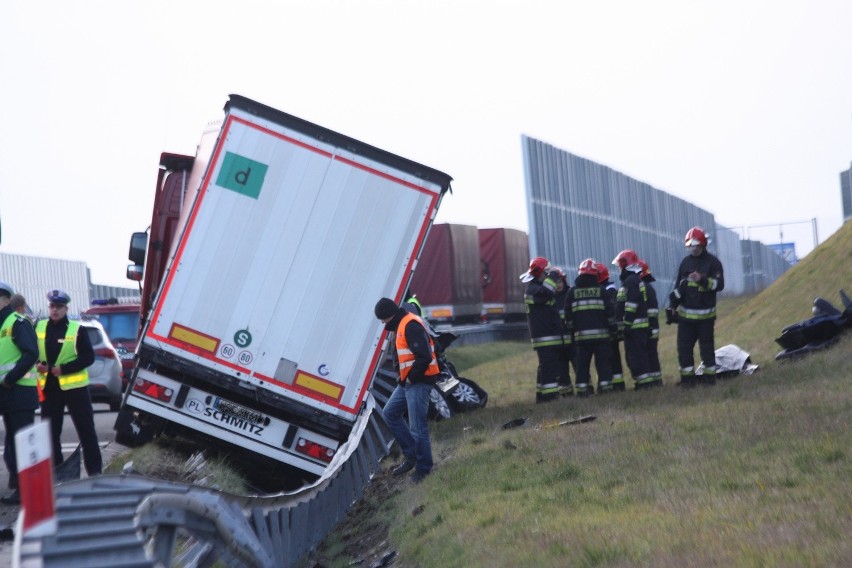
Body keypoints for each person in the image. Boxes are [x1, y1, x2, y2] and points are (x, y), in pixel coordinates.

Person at [35, 289, 102, 477]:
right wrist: (38, 365)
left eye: (59, 306)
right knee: (50, 434)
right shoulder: (39, 327)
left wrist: (63, 369)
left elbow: (88, 357)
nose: (54, 310)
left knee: (86, 432)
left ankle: (95, 472)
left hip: (75, 389)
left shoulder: (77, 329)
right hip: (50, 388)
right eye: (52, 306)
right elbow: (31, 352)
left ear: (66, 308)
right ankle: (58, 474)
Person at [375, 297, 439, 484]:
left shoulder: (409, 325)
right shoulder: (400, 324)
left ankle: (423, 469)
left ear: (389, 315)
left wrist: (411, 376)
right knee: (390, 413)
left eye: (383, 319)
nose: (382, 323)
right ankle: (411, 455)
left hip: (418, 382)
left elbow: (425, 356)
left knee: (418, 427)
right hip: (407, 383)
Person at [667, 227, 725, 387]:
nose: (693, 248)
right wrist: (672, 305)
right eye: (690, 245)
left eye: (696, 245)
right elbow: (679, 288)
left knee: (706, 350)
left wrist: (702, 280)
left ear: (703, 245)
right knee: (683, 350)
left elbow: (719, 285)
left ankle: (709, 380)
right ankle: (687, 381)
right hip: (685, 319)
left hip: (705, 318)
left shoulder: (713, 263)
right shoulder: (685, 263)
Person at [0, 282, 39, 505]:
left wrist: (10, 378)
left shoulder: (17, 322)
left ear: (6, 299)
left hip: (19, 392)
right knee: (12, 443)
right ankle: (17, 484)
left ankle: (26, 492)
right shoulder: (2, 324)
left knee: (21, 442)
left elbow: (31, 353)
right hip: (6, 393)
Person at [520, 257, 570, 403]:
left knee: (545, 367)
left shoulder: (537, 289)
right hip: (544, 337)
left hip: (548, 336)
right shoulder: (533, 290)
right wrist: (554, 274)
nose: (549, 276)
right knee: (549, 368)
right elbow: (547, 292)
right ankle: (550, 397)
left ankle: (542, 397)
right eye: (547, 273)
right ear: (541, 273)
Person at [565, 259, 614, 395]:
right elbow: (610, 314)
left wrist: (571, 330)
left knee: (582, 366)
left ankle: (582, 391)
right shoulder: (602, 291)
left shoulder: (572, 292)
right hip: (602, 337)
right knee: (603, 365)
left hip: (581, 339)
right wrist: (612, 328)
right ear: (595, 275)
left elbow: (568, 316)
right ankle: (605, 390)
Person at [612, 250, 655, 390]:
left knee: (636, 358)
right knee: (637, 357)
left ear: (625, 264)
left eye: (620, 265)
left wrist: (627, 324)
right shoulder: (633, 280)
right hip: (636, 327)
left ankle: (644, 386)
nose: (619, 268)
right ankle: (643, 384)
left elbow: (631, 304)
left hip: (635, 328)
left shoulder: (630, 281)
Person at [595, 261, 626, 392]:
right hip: (612, 331)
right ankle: (618, 384)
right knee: (614, 358)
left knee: (609, 359)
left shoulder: (608, 292)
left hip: (609, 332)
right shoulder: (611, 290)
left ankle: (615, 386)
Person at [638, 260, 663, 386]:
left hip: (650, 328)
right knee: (651, 354)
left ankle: (655, 382)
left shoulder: (646, 289)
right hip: (652, 327)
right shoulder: (648, 287)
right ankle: (656, 381)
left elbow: (651, 312)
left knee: (650, 355)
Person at [552, 267, 575, 397]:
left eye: (560, 282)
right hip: (558, 341)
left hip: (572, 339)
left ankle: (585, 390)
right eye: (556, 282)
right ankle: (567, 394)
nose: (558, 285)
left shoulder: (570, 294)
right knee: (561, 369)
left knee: (579, 366)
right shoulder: (550, 297)